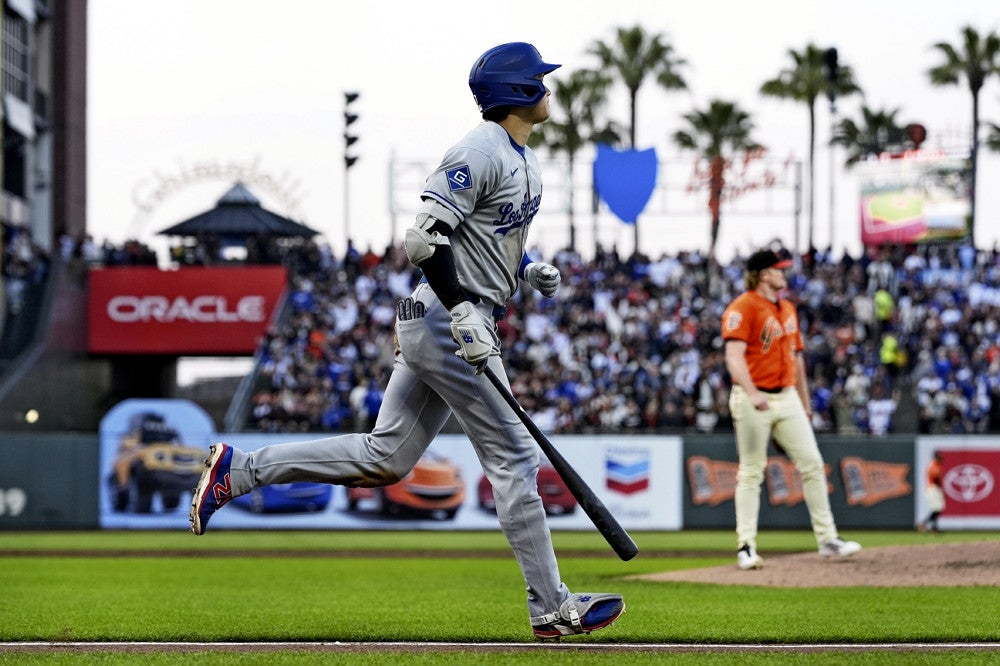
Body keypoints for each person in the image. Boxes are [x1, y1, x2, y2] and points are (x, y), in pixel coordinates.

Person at [189, 42, 624, 640]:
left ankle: (240, 470)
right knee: (517, 460)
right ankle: (551, 608)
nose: (548, 88)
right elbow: (423, 239)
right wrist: (464, 308)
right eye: (540, 80)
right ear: (519, 92)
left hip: (452, 316)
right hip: (448, 320)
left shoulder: (523, 159)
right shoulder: (478, 149)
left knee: (385, 458)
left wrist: (526, 273)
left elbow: (479, 241)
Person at [721, 248, 861, 570]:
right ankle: (746, 546)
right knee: (752, 471)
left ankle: (828, 539)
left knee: (812, 464)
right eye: (779, 269)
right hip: (753, 395)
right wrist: (753, 392)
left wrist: (805, 401)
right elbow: (733, 356)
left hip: (786, 396)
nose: (785, 273)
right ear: (764, 274)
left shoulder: (787, 308)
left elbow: (797, 358)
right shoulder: (743, 306)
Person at [919, 450, 946, 534]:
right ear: (936, 457)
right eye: (940, 457)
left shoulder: (937, 465)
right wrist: (940, 490)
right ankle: (923, 523)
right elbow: (936, 478)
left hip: (935, 488)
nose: (941, 459)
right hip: (933, 488)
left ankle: (934, 528)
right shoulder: (933, 465)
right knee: (936, 508)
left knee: (937, 508)